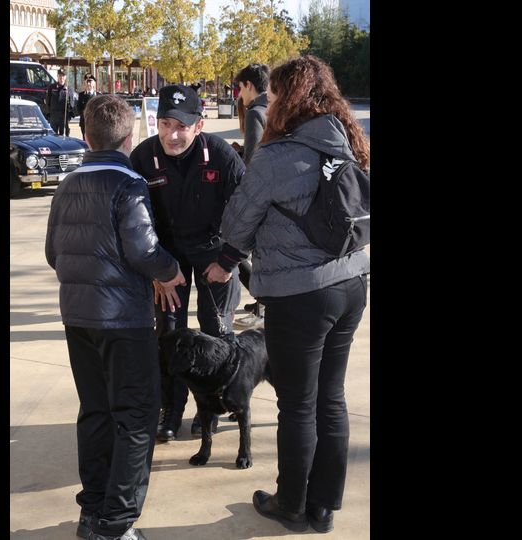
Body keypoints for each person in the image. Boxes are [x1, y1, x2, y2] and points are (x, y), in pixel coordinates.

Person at [208, 55, 371, 534]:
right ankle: (324, 507)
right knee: (331, 398)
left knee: (298, 404)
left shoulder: (278, 155)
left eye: (275, 93)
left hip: (300, 295)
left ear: (290, 99)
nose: (270, 101)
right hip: (352, 286)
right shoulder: (350, 142)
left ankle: (292, 505)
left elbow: (237, 222)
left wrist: (224, 259)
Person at [45, 94, 187, 540]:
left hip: (78, 318)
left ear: (86, 137)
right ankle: (116, 523)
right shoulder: (129, 183)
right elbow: (143, 249)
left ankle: (93, 511)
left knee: (96, 412)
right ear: (130, 138)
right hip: (122, 321)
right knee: (137, 417)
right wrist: (170, 270)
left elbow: (54, 253)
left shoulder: (67, 185)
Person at [129, 84, 247, 442]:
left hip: (215, 253)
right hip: (168, 259)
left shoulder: (223, 156)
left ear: (199, 125)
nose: (172, 134)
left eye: (181, 126)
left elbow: (250, 211)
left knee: (216, 334)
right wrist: (157, 272)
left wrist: (228, 261)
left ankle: (208, 410)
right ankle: (171, 410)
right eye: (165, 124)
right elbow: (133, 223)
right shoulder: (142, 157)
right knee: (169, 336)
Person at [231, 63, 271, 328]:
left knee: (244, 252)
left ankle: (262, 309)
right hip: (278, 190)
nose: (239, 95)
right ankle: (263, 304)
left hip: (259, 193)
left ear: (248, 85)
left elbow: (253, 158)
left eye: (239, 88)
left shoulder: (256, 112)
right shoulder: (276, 107)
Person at [46, 68, 75, 137]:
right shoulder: (52, 87)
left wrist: (69, 115)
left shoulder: (69, 88)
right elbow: (48, 101)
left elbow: (71, 103)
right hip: (54, 115)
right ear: (57, 77)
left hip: (64, 116)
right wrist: (48, 113)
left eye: (63, 76)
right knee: (53, 135)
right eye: (60, 76)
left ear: (65, 77)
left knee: (64, 136)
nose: (61, 78)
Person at [77, 75, 98, 139]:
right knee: (85, 140)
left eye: (90, 82)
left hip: (95, 123)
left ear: (94, 83)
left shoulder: (98, 95)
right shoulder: (81, 95)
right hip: (84, 122)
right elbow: (78, 108)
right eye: (87, 82)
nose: (88, 84)